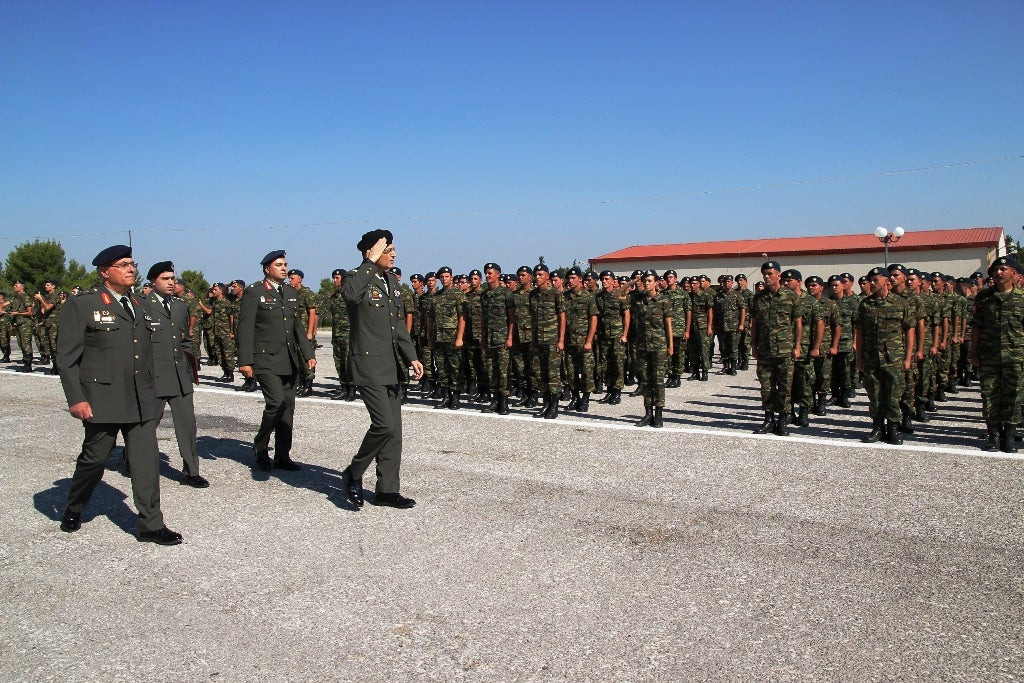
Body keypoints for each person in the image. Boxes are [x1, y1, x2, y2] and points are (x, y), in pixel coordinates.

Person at [56, 245, 182, 545]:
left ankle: (151, 524)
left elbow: (145, 353)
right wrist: (76, 398)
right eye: (123, 264)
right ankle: (74, 507)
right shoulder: (83, 304)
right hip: (104, 399)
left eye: (132, 263)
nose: (131, 269)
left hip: (141, 399)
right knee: (94, 460)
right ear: (104, 272)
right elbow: (66, 358)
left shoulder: (139, 304)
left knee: (146, 461)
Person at [339, 230, 424, 510]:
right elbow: (350, 297)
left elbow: (397, 325)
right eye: (389, 250)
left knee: (394, 432)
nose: (394, 255)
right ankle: (353, 472)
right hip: (368, 364)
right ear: (371, 252)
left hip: (392, 365)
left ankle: (387, 490)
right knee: (383, 424)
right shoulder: (355, 277)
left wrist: (411, 356)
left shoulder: (391, 282)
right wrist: (368, 263)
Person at [236, 250, 316, 471]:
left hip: (289, 360)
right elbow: (245, 328)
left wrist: (308, 353)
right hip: (265, 359)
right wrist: (245, 361)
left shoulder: (290, 292)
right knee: (276, 403)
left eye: (285, 264)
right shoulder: (255, 292)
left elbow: (297, 326)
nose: (284, 268)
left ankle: (282, 455)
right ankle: (260, 447)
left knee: (288, 409)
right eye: (279, 265)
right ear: (267, 269)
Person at [142, 261, 209, 488]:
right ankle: (134, 459)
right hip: (154, 376)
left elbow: (185, 340)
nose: (171, 283)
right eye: (165, 279)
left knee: (187, 425)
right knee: (147, 425)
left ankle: (191, 471)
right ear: (152, 281)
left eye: (172, 278)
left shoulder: (180, 306)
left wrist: (192, 369)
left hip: (180, 375)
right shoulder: (141, 305)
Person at [855, 267, 915, 445]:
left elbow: (909, 330)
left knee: (893, 394)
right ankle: (878, 428)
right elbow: (860, 333)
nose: (871, 284)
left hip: (894, 357)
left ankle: (894, 428)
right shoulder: (865, 304)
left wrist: (908, 357)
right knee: (875, 394)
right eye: (870, 280)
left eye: (875, 280)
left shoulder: (900, 303)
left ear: (886, 281)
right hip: (871, 357)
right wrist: (859, 358)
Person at [971, 256, 1024, 452]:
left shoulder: (1021, 298)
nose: (998, 273)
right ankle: (994, 435)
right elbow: (977, 327)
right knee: (990, 395)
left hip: (1015, 356)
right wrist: (973, 352)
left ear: (1013, 273)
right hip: (989, 356)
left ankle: (1009, 436)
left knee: (1014, 396)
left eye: (1003, 269)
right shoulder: (984, 298)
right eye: (995, 270)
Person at [749, 261, 803, 436]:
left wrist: (797, 346)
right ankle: (768, 419)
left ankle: (783, 420)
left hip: (785, 349)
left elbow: (797, 323)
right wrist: (753, 346)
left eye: (770, 273)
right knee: (766, 387)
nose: (766, 277)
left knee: (785, 387)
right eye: (764, 274)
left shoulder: (791, 296)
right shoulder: (759, 298)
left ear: (778, 275)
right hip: (765, 349)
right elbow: (755, 324)